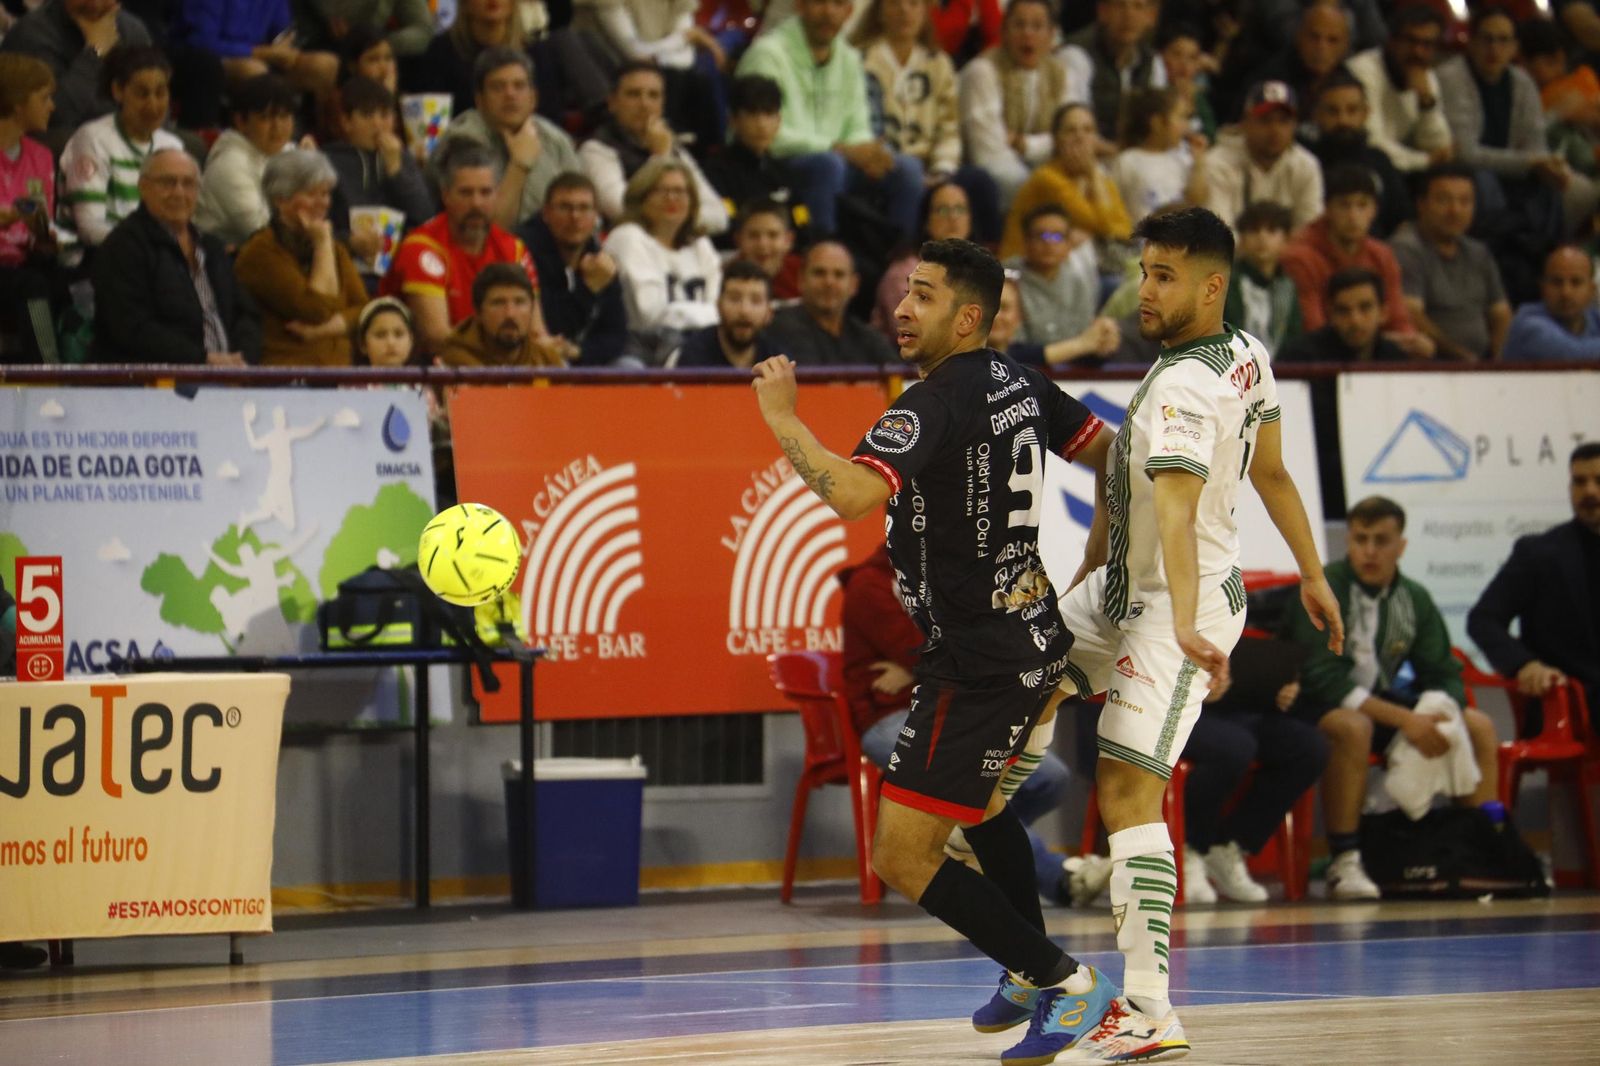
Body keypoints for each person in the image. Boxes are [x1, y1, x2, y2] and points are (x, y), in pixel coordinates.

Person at [749, 236, 1118, 1066]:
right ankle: (1029, 974)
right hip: (1018, 640)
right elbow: (1112, 453)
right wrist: (1096, 548)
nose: (903, 309)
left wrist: (782, 419)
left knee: (902, 855)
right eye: (905, 292)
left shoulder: (933, 401)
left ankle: (1067, 984)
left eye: (923, 295)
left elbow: (850, 495)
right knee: (981, 810)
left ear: (970, 315)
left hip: (980, 662)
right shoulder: (1022, 381)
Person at [1045, 206, 1341, 1058]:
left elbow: (1174, 510)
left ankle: (1150, 1009)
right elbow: (1273, 472)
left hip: (1184, 605)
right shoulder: (1246, 354)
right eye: (1143, 272)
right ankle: (998, 879)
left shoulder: (1182, 385)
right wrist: (1314, 576)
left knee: (1127, 792)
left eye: (1164, 277)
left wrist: (1176, 619)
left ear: (1212, 286)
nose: (1145, 290)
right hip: (1121, 591)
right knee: (1015, 673)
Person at [838, 542, 1103, 909]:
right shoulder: (869, 585)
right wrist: (928, 661)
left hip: (958, 708)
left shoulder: (953, 573)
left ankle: (971, 846)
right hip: (888, 717)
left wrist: (920, 665)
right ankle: (1061, 878)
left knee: (1051, 777)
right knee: (973, 791)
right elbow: (927, 650)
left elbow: (967, 647)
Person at [1282, 495, 1500, 900]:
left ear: (1401, 546)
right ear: (1348, 540)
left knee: (1478, 726)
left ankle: (1479, 850)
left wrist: (1440, 713)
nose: (1369, 550)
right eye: (1360, 539)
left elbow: (1443, 672)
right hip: (1311, 704)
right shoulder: (1323, 587)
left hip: (1379, 701)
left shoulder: (1413, 597)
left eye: (1381, 540)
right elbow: (1322, 679)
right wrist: (1405, 720)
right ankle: (1344, 860)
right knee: (1353, 726)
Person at [736, 0, 924, 241]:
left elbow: (857, 127)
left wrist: (868, 153)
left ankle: (901, 262)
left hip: (840, 161)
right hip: (778, 164)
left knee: (907, 169)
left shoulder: (849, 57)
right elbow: (765, 134)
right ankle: (821, 254)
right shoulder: (767, 54)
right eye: (819, 3)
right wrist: (840, 149)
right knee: (827, 165)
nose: (828, 13)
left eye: (838, 4)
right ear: (800, 6)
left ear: (848, 12)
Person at [1178, 637, 1327, 904]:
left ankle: (1229, 844)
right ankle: (1190, 847)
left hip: (1243, 708)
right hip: (1180, 710)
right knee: (1234, 747)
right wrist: (1195, 686)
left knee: (1309, 747)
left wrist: (1284, 687)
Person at [1468, 442, 1600, 719]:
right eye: (1579, 481)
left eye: (1598, 481)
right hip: (1569, 701)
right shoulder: (1539, 554)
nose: (1589, 491)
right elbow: (1483, 619)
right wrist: (1525, 665)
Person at [92, 147, 260, 364]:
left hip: (228, 377)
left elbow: (246, 315)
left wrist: (243, 360)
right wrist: (205, 360)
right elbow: (132, 329)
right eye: (167, 183)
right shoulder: (123, 246)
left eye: (188, 184)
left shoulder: (212, 247)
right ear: (143, 187)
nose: (179, 193)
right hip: (156, 383)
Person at [853, 0, 1000, 241]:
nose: (904, 11)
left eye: (914, 4)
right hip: (883, 165)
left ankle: (991, 265)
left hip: (932, 167)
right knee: (907, 177)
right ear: (879, 11)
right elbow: (861, 127)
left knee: (980, 181)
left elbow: (948, 128)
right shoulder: (860, 60)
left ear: (925, 12)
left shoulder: (939, 63)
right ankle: (902, 256)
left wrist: (941, 170)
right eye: (895, 5)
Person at [380, 138, 538, 352]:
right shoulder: (421, 248)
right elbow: (437, 338)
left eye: (485, 192)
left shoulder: (514, 249)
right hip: (433, 372)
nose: (476, 203)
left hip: (494, 365)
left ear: (497, 195)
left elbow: (535, 331)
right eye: (466, 193)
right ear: (446, 196)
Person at [234, 148, 369, 366]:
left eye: (325, 194)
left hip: (340, 372)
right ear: (280, 199)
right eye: (311, 194)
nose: (322, 203)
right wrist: (323, 245)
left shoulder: (334, 248)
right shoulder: (260, 252)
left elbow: (364, 309)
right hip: (287, 377)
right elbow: (315, 309)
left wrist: (323, 331)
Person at [431, 47, 580, 227]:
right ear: (480, 100)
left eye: (519, 86)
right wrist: (519, 165)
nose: (510, 94)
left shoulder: (555, 140)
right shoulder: (462, 142)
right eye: (498, 87)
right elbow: (486, 233)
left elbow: (583, 211)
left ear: (533, 98)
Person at [56, 44, 183, 250]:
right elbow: (90, 228)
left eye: (160, 93)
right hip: (98, 261)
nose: (153, 105)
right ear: (118, 91)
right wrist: (148, 247)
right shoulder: (93, 139)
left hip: (156, 258)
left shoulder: (172, 146)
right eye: (142, 94)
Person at [579, 61, 727, 236]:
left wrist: (672, 220)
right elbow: (622, 210)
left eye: (653, 95)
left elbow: (719, 216)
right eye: (633, 94)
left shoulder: (673, 148)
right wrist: (661, 158)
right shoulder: (596, 149)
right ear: (612, 103)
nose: (644, 104)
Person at [602, 156, 721, 365]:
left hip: (700, 344)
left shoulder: (700, 245)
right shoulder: (628, 237)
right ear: (642, 197)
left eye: (680, 191)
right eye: (662, 190)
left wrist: (678, 312)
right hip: (641, 349)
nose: (672, 198)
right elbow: (650, 315)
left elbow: (719, 310)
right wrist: (701, 314)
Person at [1390, 164, 1512, 361]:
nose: (1455, 210)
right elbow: (1411, 314)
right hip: (1432, 365)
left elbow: (1500, 312)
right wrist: (1461, 357)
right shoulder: (1407, 248)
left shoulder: (1478, 251)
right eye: (1444, 200)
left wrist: (1497, 363)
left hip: (1482, 365)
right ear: (1421, 204)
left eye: (1465, 202)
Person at [1279, 163, 1415, 339]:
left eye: (1362, 205)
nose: (1353, 216)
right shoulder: (1299, 257)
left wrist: (1409, 340)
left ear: (1374, 210)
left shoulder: (1382, 255)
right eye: (1344, 206)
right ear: (1327, 209)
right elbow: (1314, 330)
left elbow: (1398, 320)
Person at [958, 0, 1073, 206]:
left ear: (1051, 35)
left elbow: (1070, 140)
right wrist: (1049, 146)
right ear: (1003, 32)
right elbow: (988, 155)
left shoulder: (1060, 73)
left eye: (1037, 26)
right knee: (1025, 186)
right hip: (986, 180)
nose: (1027, 34)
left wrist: (1025, 144)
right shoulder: (982, 71)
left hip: (1042, 170)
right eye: (1019, 25)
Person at [0, 0, 153, 149]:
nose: (95, 4)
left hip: (124, 147)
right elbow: (52, 117)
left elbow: (153, 104)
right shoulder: (31, 35)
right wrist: (94, 53)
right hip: (56, 151)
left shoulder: (132, 31)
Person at [516, 170, 627, 366]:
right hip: (538, 357)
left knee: (631, 367)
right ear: (546, 213)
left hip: (584, 355)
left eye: (584, 208)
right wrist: (588, 290)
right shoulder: (525, 253)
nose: (575, 217)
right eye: (565, 207)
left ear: (596, 216)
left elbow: (617, 335)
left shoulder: (600, 258)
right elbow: (549, 326)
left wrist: (579, 352)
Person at [324, 76, 435, 269]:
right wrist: (348, 241)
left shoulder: (401, 158)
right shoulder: (327, 161)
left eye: (384, 115)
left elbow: (425, 217)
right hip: (345, 263)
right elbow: (317, 225)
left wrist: (396, 171)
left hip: (399, 263)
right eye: (367, 115)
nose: (377, 124)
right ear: (346, 121)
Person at [1000, 103, 1132, 262]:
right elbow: (1105, 227)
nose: (1080, 138)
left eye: (1088, 130)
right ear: (1056, 140)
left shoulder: (1101, 181)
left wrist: (1094, 176)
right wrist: (1092, 172)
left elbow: (1124, 232)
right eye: (1071, 131)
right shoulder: (1047, 178)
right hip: (1020, 270)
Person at [1200, 80, 1323, 233]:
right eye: (1265, 121)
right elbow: (1218, 234)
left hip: (1291, 255)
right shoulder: (1217, 163)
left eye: (1283, 121)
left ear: (1295, 125)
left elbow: (1308, 230)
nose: (1275, 130)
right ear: (1245, 122)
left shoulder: (1306, 165)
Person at [0, 52, 60, 364]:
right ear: (17, 101)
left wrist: (48, 238)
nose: (52, 106)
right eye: (45, 97)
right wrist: (8, 216)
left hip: (23, 261)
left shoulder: (41, 156)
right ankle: (50, 371)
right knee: (31, 285)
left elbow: (41, 222)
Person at [1301, 70, 1412, 238]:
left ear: (1365, 113)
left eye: (1352, 110)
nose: (1343, 120)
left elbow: (1402, 222)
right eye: (1333, 111)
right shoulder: (1306, 163)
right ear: (1317, 115)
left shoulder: (1380, 161)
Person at [1345, 3, 1453, 173]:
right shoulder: (1363, 70)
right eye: (1411, 41)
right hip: (1365, 167)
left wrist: (1426, 102)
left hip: (1405, 167)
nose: (1417, 52)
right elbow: (1371, 144)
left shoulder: (1426, 77)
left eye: (1426, 44)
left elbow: (1439, 147)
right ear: (1392, 41)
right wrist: (1424, 160)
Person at [193, 73, 298, 246]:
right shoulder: (230, 165)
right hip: (228, 262)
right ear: (241, 121)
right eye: (266, 117)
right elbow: (261, 232)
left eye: (284, 116)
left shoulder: (289, 151)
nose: (278, 127)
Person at [1003, 203, 1113, 360]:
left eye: (1057, 236)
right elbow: (1010, 351)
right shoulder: (1006, 281)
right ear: (1025, 241)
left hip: (1073, 373)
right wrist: (1081, 345)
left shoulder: (1081, 282)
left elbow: (1089, 341)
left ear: (1069, 244)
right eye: (1041, 235)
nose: (1049, 243)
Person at [701, 75, 804, 241]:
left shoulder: (783, 172)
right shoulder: (715, 172)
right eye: (752, 114)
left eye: (768, 113)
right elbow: (727, 224)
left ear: (778, 121)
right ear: (733, 121)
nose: (761, 124)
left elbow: (801, 219)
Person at [766, 240, 897, 366]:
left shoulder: (867, 337)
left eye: (839, 275)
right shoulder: (780, 328)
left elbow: (899, 377)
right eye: (819, 273)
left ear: (854, 285)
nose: (829, 282)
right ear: (801, 280)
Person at [871, 180, 971, 342]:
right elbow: (913, 333)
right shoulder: (905, 273)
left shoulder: (981, 270)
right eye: (943, 210)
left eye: (960, 209)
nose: (953, 217)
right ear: (926, 221)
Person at [1059, 0, 1164, 142]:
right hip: (1087, 154)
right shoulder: (1076, 55)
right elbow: (1073, 126)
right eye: (1120, 5)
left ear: (1152, 16)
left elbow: (1158, 126)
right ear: (1103, 11)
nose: (1129, 15)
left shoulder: (1153, 61)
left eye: (1138, 6)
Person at [437, 260, 563, 367]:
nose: (510, 314)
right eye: (498, 303)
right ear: (478, 313)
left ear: (532, 310)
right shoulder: (455, 363)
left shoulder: (547, 359)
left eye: (520, 302)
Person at [1111, 86, 1206, 226]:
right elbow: (1115, 207)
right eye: (1180, 117)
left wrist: (1198, 163)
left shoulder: (1182, 159)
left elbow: (1196, 201)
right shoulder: (1127, 161)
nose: (1186, 126)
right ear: (1156, 123)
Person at [1277, 268, 1417, 363]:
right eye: (1343, 311)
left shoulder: (1395, 360)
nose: (1355, 320)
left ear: (1383, 313)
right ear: (1330, 315)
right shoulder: (1300, 359)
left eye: (1365, 308)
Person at [1221, 201, 1302, 357]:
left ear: (1286, 239)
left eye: (1271, 230)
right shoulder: (1228, 282)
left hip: (1285, 375)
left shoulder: (1288, 286)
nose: (1262, 237)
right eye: (1253, 230)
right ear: (1242, 238)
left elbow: (1294, 336)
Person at [672, 259, 777, 368]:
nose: (744, 311)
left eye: (755, 301)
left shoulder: (777, 361)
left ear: (769, 312)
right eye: (734, 298)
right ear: (718, 306)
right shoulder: (693, 354)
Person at [1504, 244, 1600, 360]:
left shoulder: (1594, 317)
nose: (1566, 292)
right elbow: (1576, 356)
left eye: (1576, 283)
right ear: (1543, 288)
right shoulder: (1528, 325)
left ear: (1592, 290)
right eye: (1556, 282)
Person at [730, 198, 802, 301]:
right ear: (738, 240)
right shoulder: (726, 277)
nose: (763, 244)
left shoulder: (802, 274)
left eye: (773, 235)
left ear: (788, 240)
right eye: (753, 235)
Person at [353, 294, 416, 366]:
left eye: (398, 334)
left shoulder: (427, 377)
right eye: (380, 335)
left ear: (411, 340)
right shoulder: (348, 377)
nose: (391, 342)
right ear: (363, 344)